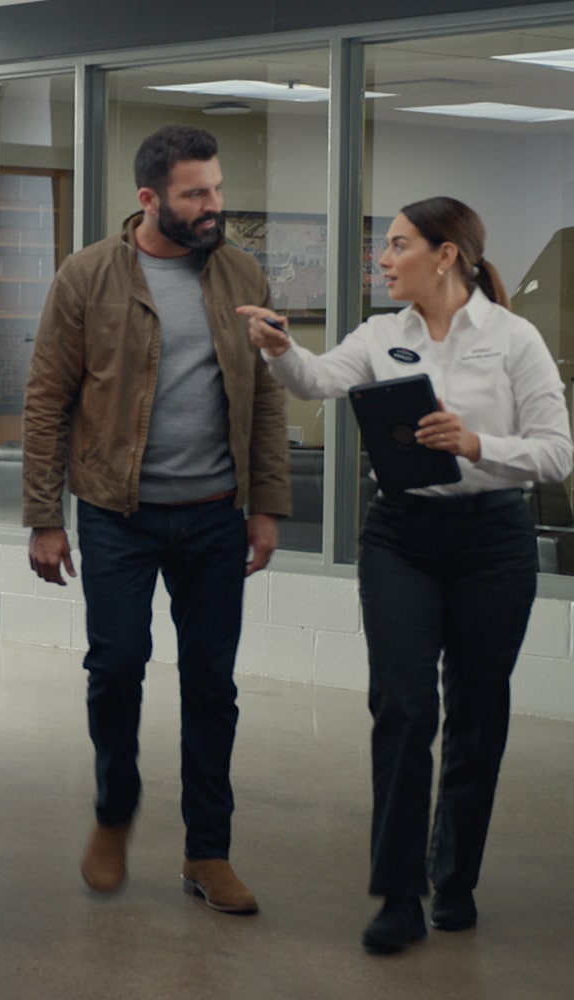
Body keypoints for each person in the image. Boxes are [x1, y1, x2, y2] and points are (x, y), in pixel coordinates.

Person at [241, 196, 573, 954]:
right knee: (403, 707)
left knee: (477, 715)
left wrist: (478, 441)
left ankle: (454, 877)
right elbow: (319, 382)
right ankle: (397, 894)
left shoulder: (514, 339)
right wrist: (278, 348)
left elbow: (558, 453)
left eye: (396, 246)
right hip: (401, 537)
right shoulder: (381, 335)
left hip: (494, 543)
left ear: (446, 253)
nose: (383, 260)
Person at [23, 123, 289, 915]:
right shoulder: (89, 276)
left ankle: (208, 851)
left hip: (214, 516)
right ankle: (113, 814)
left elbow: (267, 394)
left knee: (212, 684)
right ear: (149, 199)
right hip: (117, 514)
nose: (214, 207)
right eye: (195, 194)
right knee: (116, 667)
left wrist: (267, 505)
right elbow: (46, 397)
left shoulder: (239, 271)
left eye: (216, 189)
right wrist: (44, 515)